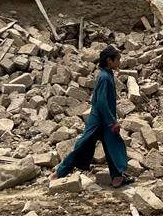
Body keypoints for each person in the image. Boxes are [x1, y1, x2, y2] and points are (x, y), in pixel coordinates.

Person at [50, 45, 131, 187]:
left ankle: (117, 177)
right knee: (83, 146)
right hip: (101, 120)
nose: (119, 62)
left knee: (112, 145)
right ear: (109, 60)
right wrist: (112, 122)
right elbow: (101, 102)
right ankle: (59, 173)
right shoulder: (105, 77)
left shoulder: (106, 74)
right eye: (117, 59)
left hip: (102, 118)